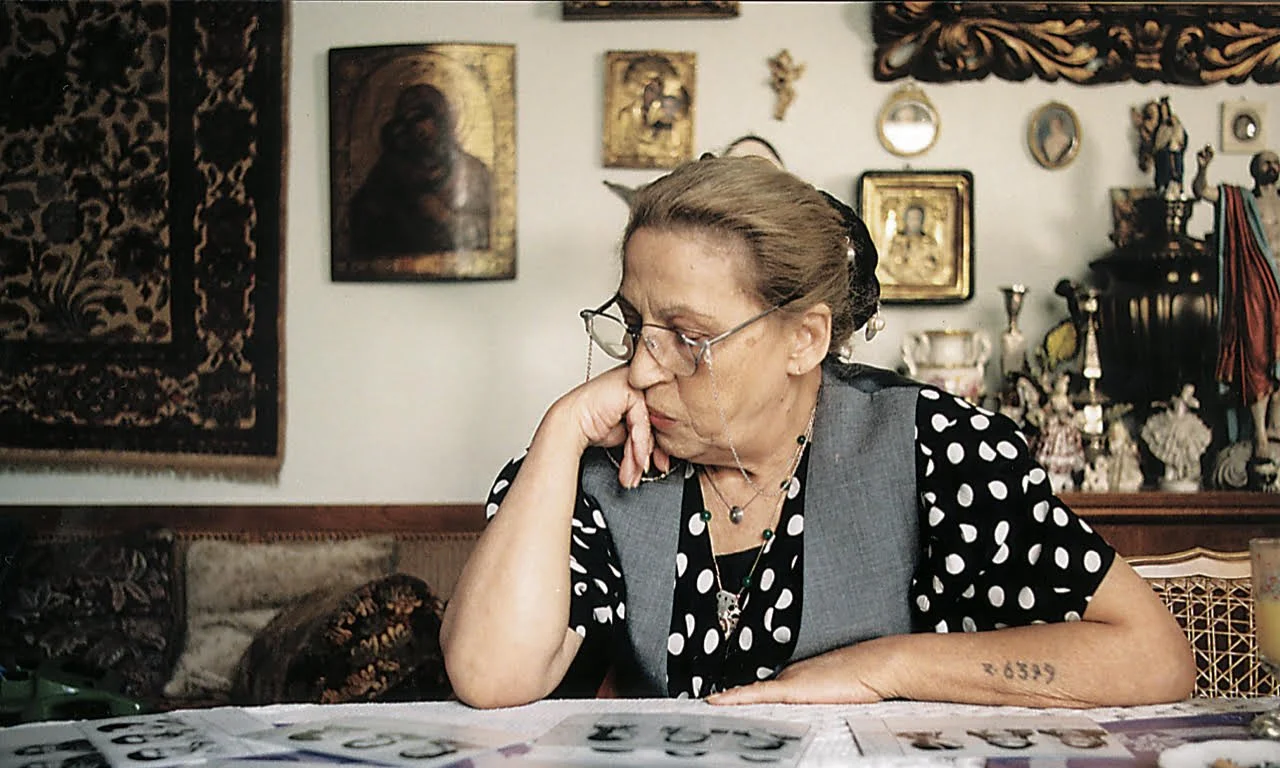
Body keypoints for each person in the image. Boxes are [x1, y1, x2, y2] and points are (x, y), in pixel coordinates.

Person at [440, 155, 1195, 710]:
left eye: (686, 335)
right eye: (635, 324)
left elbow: (1153, 658)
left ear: (804, 339)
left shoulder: (933, 448)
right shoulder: (597, 466)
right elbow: (489, 674)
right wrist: (562, 427)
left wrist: (885, 667)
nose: (639, 370)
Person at [1192, 144, 1280, 470]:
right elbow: (1201, 190)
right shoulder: (1241, 202)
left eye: (1275, 161)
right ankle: (1258, 435)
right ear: (1253, 170)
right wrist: (1203, 167)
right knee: (1256, 357)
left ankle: (1274, 429)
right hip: (1256, 289)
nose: (1271, 165)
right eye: (1264, 162)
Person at [349, 82, 491, 258]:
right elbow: (361, 223)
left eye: (421, 118)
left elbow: (491, 230)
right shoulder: (388, 171)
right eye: (406, 121)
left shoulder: (473, 172)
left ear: (442, 120)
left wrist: (444, 216)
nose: (417, 129)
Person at [884, 203, 943, 284]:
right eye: (911, 218)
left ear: (922, 221)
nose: (914, 222)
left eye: (917, 219)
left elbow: (936, 266)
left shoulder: (929, 243)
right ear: (905, 219)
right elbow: (890, 264)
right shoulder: (897, 242)